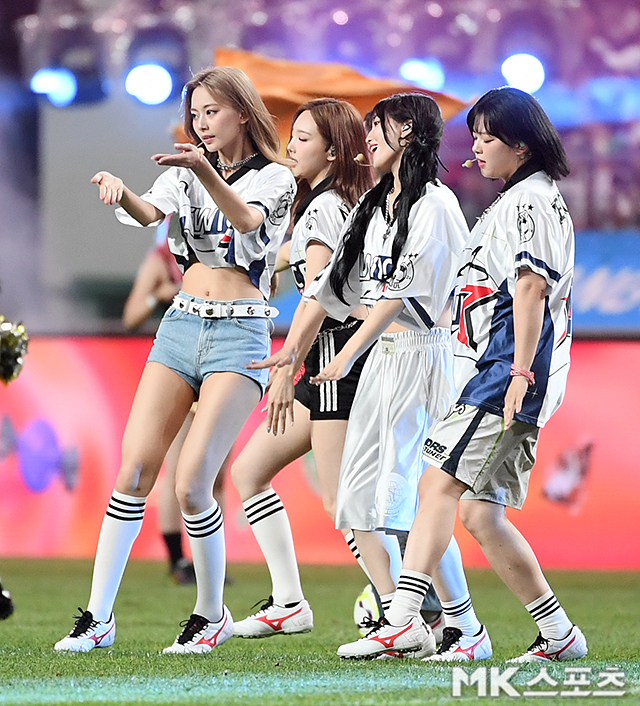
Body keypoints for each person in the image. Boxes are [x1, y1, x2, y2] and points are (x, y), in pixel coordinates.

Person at [337, 86, 587, 663]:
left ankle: (404, 619)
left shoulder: (529, 202)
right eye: (473, 135)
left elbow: (531, 287)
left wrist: (518, 371)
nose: (475, 148)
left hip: (506, 372)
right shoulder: (520, 199)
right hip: (503, 370)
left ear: (521, 146)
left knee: (435, 486)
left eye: (487, 138)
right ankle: (558, 635)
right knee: (478, 512)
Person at [54, 66, 296, 654]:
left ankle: (209, 614)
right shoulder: (186, 170)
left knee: (193, 485)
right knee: (134, 471)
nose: (201, 123)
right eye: (196, 113)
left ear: (243, 112)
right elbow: (147, 213)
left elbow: (248, 221)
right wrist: (121, 190)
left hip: (241, 333)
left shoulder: (276, 177)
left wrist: (203, 171)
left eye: (213, 111)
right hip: (181, 325)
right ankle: (97, 618)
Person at [253, 93, 485, 659]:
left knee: (411, 499)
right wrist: (292, 353)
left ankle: (449, 623)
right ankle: (421, 620)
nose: (369, 138)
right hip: (383, 358)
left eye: (378, 127)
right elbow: (329, 285)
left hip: (424, 357)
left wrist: (345, 354)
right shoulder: (375, 204)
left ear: (408, 132)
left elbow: (399, 297)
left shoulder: (434, 204)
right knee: (358, 499)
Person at [230, 98, 374, 638]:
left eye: (304, 138)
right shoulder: (338, 203)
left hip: (331, 361)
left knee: (344, 500)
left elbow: (319, 298)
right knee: (249, 472)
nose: (290, 146)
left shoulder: (321, 209)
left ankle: (405, 606)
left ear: (333, 152)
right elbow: (299, 260)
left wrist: (285, 370)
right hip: (335, 361)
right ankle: (290, 602)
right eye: (292, 135)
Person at [122, 225, 229, 585]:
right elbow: (131, 316)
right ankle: (177, 559)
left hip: (220, 361)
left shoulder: (220, 253)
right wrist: (160, 295)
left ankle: (209, 561)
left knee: (216, 473)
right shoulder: (160, 262)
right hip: (181, 364)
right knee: (177, 468)